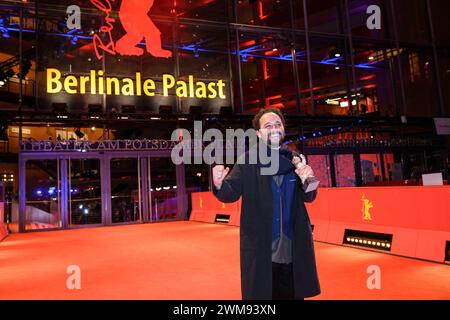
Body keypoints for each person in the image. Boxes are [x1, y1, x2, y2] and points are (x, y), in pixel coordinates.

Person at [212, 108, 320, 300]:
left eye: (278, 124)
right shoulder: (248, 161)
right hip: (261, 250)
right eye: (268, 126)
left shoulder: (296, 159)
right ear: (259, 134)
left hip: (293, 249)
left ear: (284, 130)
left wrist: (309, 180)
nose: (274, 129)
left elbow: (310, 197)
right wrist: (219, 184)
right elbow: (230, 193)